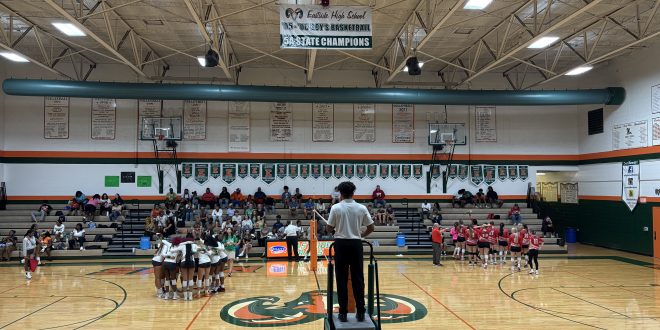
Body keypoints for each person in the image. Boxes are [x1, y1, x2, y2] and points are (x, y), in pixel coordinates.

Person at [326, 181, 375, 323]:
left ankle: (343, 313)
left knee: (341, 279)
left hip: (340, 245)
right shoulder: (361, 208)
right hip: (355, 244)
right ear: (353, 193)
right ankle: (360, 311)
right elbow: (371, 227)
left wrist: (334, 229)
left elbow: (329, 229)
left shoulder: (336, 208)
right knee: (358, 278)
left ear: (340, 194)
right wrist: (361, 236)